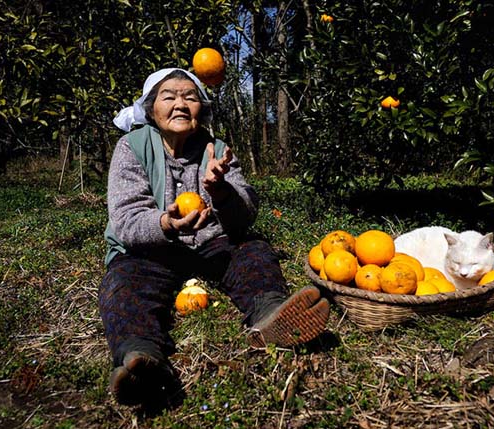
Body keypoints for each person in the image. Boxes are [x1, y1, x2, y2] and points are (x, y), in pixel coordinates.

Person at [99, 68, 330, 406]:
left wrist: (221, 190)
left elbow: (245, 215)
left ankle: (271, 314)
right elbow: (127, 219)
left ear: (201, 109)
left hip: (211, 245)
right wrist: (165, 223)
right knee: (122, 282)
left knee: (252, 251)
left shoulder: (216, 149)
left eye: (190, 97)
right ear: (150, 109)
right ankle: (141, 356)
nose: (180, 104)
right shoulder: (131, 148)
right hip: (150, 251)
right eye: (169, 96)